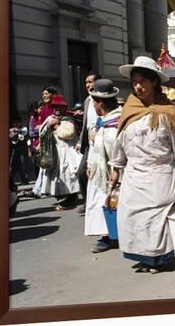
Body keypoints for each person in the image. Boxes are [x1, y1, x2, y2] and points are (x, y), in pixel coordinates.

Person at [110, 56, 175, 274]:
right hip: (134, 176)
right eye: (135, 82)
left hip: (161, 173)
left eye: (143, 82)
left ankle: (158, 259)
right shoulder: (129, 111)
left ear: (154, 83)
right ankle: (142, 256)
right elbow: (121, 142)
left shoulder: (168, 112)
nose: (138, 86)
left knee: (155, 219)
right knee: (132, 217)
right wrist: (116, 166)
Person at [84, 79, 122, 253]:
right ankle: (107, 234)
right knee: (102, 203)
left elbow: (117, 152)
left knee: (111, 204)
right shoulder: (103, 121)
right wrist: (90, 164)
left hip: (112, 174)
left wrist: (116, 172)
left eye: (94, 102)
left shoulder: (114, 123)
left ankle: (111, 236)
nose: (93, 106)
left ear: (101, 103)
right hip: (99, 173)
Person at [40, 94, 83, 210]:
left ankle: (72, 198)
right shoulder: (50, 118)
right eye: (55, 107)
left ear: (64, 108)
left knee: (69, 175)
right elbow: (41, 131)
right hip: (55, 152)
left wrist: (56, 127)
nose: (57, 109)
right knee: (60, 176)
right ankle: (66, 195)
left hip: (69, 152)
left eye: (60, 107)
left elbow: (68, 134)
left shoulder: (68, 120)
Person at [76, 71, 103, 214]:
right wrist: (81, 141)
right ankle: (87, 201)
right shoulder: (87, 101)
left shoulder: (104, 98)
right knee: (81, 173)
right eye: (86, 82)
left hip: (103, 142)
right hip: (90, 145)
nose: (88, 85)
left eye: (90, 82)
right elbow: (86, 125)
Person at [31, 85, 58, 198]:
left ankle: (39, 189)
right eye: (43, 94)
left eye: (46, 93)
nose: (44, 96)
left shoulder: (57, 106)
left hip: (56, 140)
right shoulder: (43, 109)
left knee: (52, 166)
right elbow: (42, 127)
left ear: (53, 94)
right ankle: (38, 189)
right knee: (45, 166)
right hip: (46, 141)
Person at [9, 116, 29, 185]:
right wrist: (12, 131)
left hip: (22, 150)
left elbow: (24, 133)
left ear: (20, 123)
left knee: (22, 165)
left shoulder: (24, 128)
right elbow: (11, 137)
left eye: (17, 122)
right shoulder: (11, 130)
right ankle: (10, 180)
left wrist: (17, 130)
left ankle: (25, 180)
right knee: (12, 165)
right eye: (14, 123)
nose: (15, 124)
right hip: (15, 150)